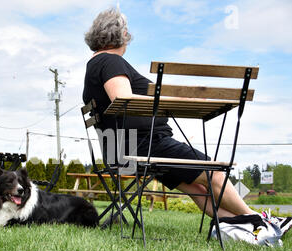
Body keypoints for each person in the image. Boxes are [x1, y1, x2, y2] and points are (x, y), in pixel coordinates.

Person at [82, 8, 292, 235]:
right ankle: (262, 221)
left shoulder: (95, 64)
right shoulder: (111, 61)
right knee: (214, 174)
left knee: (197, 188)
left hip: (123, 149)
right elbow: (123, 99)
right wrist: (177, 100)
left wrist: (174, 100)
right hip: (144, 146)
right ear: (121, 34)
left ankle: (249, 226)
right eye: (126, 31)